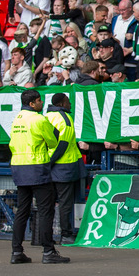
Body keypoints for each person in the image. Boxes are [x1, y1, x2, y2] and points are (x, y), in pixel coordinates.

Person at [8, 89, 68, 264]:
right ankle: (48, 251)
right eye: (40, 101)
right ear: (33, 103)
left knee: (22, 211)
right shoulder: (39, 119)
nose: (42, 103)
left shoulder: (17, 119)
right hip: (37, 167)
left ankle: (16, 251)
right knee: (45, 211)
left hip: (19, 167)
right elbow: (53, 140)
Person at [46, 92, 86, 244]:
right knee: (65, 204)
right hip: (64, 167)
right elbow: (63, 144)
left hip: (49, 167)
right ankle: (66, 234)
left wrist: (46, 163)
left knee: (48, 203)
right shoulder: (65, 118)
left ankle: (46, 235)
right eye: (68, 101)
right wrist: (51, 161)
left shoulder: (47, 117)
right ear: (62, 104)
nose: (70, 104)